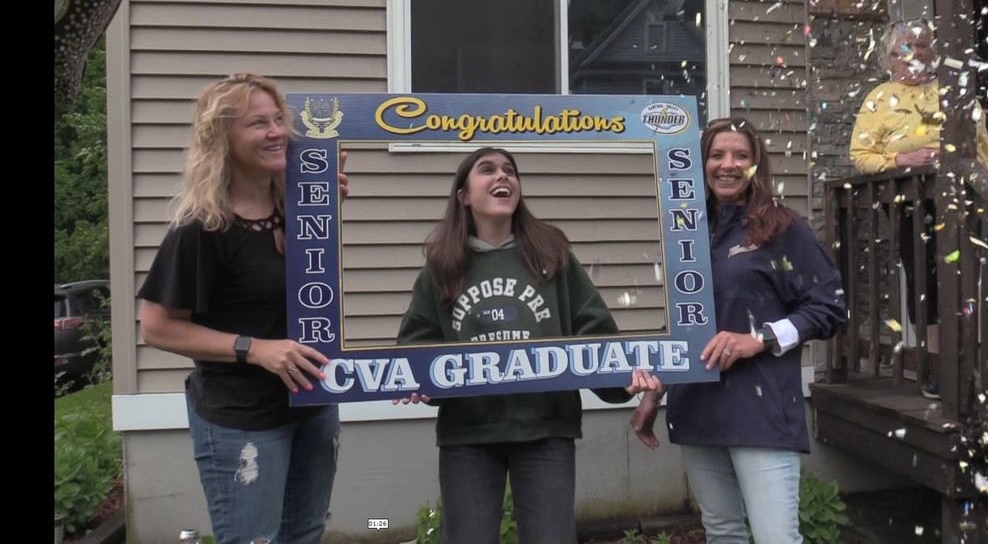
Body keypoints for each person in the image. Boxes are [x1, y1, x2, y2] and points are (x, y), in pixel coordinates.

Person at [395, 146, 660, 544]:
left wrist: (622, 379)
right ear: (463, 195)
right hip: (469, 432)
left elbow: (594, 333)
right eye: (487, 170)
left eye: (510, 171)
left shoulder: (552, 255)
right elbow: (417, 345)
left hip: (545, 428)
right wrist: (416, 383)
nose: (503, 176)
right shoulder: (441, 265)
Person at [137, 72, 349, 544]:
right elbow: (156, 327)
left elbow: (302, 291)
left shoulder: (298, 205)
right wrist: (254, 349)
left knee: (306, 533)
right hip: (242, 416)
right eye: (258, 124)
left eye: (279, 119)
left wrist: (320, 207)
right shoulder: (201, 227)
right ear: (223, 138)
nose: (277, 131)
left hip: (312, 404)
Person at [631, 118, 847, 544]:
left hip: (760, 410)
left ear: (756, 165)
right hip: (698, 405)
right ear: (700, 162)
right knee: (722, 533)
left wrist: (758, 339)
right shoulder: (687, 230)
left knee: (775, 538)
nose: (727, 165)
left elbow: (829, 306)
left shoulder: (783, 229)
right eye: (716, 155)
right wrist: (654, 392)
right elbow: (682, 319)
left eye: (740, 156)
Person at [849, 19, 988, 398]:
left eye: (921, 46)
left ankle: (970, 365)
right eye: (904, 48)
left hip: (961, 201)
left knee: (967, 279)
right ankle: (936, 367)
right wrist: (903, 159)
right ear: (890, 58)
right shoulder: (880, 98)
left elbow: (985, 156)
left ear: (933, 54)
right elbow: (862, 156)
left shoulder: (955, 93)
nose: (914, 54)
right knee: (926, 280)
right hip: (911, 202)